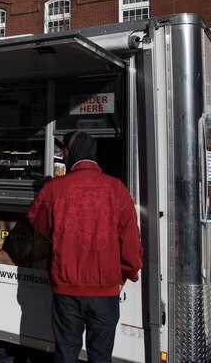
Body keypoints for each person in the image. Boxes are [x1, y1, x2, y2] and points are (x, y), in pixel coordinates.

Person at [27, 131, 142, 363]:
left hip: (67, 291)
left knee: (66, 354)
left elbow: (38, 224)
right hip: (106, 290)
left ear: (71, 152)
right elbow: (130, 242)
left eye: (64, 151)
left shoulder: (55, 189)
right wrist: (126, 275)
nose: (63, 155)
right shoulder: (116, 188)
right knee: (101, 356)